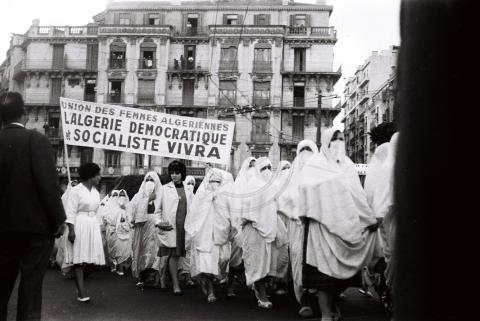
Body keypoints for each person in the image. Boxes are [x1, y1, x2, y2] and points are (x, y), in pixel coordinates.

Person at [297, 129, 379, 321]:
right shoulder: (315, 164)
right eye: (334, 139)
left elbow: (358, 196)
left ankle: (332, 306)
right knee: (323, 275)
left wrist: (368, 219)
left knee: (339, 277)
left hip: (346, 227)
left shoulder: (349, 165)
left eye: (341, 139)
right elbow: (305, 193)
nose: (338, 142)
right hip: (321, 228)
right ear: (326, 141)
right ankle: (325, 314)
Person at [0, 91, 66, 321]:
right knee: (30, 289)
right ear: (24, 114)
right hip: (36, 230)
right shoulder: (37, 140)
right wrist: (59, 219)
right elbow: (48, 185)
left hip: (2, 230)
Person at [277, 140, 318, 318]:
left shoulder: (322, 175)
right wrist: (296, 213)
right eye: (303, 150)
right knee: (298, 260)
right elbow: (282, 201)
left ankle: (322, 299)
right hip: (296, 227)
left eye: (309, 150)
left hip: (318, 228)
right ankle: (304, 300)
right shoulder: (290, 178)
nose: (306, 154)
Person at [185, 168, 235, 302]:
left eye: (218, 181)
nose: (215, 184)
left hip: (220, 235)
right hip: (204, 237)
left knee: (223, 259)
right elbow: (194, 214)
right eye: (212, 181)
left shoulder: (225, 196)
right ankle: (211, 291)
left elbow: (230, 214)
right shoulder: (201, 196)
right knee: (207, 262)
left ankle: (206, 280)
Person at [240, 157, 282, 309]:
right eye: (263, 168)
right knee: (257, 262)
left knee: (267, 262)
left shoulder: (271, 187)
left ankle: (262, 288)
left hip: (268, 230)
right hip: (254, 230)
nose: (267, 171)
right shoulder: (252, 186)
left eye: (270, 167)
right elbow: (245, 212)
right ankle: (261, 293)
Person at [63, 162, 105, 302]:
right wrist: (71, 230)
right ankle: (81, 292)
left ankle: (78, 284)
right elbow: (70, 211)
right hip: (79, 225)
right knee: (79, 260)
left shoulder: (96, 192)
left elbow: (98, 212)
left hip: (92, 226)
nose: (100, 177)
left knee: (93, 260)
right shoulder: (76, 191)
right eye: (97, 175)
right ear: (90, 176)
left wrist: (99, 229)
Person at [157, 160, 194, 295]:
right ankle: (175, 284)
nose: (174, 175)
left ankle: (166, 278)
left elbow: (193, 209)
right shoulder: (164, 189)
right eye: (172, 173)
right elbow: (158, 210)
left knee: (179, 255)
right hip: (171, 227)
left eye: (177, 173)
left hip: (185, 227)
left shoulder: (188, 189)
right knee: (173, 255)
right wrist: (159, 222)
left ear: (182, 174)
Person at [225, 156, 256, 297]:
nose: (252, 170)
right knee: (235, 259)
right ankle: (230, 285)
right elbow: (233, 208)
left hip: (254, 227)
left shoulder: (258, 185)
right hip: (239, 226)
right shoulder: (238, 187)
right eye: (250, 166)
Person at [129, 172, 163, 287]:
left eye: (152, 180)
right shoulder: (138, 196)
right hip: (143, 227)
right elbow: (132, 210)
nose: (149, 182)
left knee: (156, 252)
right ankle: (142, 277)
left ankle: (157, 277)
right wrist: (148, 199)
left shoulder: (161, 194)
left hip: (157, 227)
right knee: (142, 251)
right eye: (147, 180)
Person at [106, 189, 133, 276]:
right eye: (119, 195)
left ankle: (125, 266)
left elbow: (132, 218)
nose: (121, 197)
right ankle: (117, 266)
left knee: (127, 249)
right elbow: (109, 218)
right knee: (118, 250)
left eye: (123, 195)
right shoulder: (113, 207)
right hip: (115, 232)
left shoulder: (129, 206)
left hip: (128, 231)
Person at [179, 175, 197, 287]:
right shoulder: (180, 196)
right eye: (188, 183)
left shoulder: (196, 198)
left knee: (189, 252)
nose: (190, 186)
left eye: (192, 184)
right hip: (180, 227)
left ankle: (188, 276)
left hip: (191, 230)